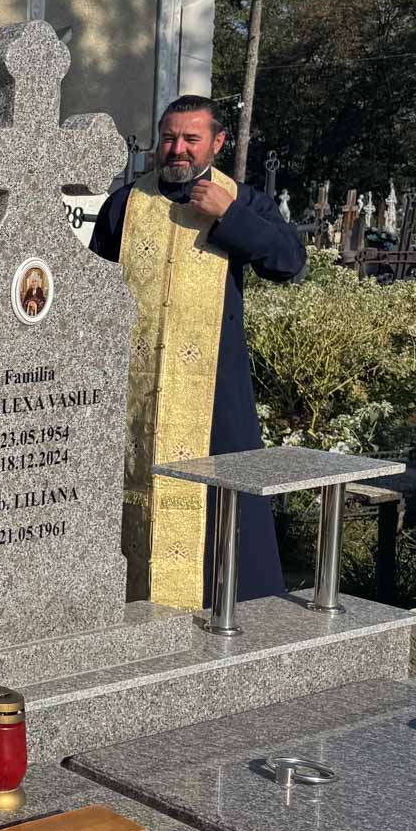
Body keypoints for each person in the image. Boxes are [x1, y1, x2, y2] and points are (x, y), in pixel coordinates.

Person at [90, 95, 305, 608]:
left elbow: (289, 262)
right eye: (169, 137)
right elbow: (93, 286)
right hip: (129, 388)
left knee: (218, 502)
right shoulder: (126, 202)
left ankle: (225, 606)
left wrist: (228, 215)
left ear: (217, 142)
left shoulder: (241, 199)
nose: (178, 149)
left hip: (210, 386)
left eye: (191, 139)